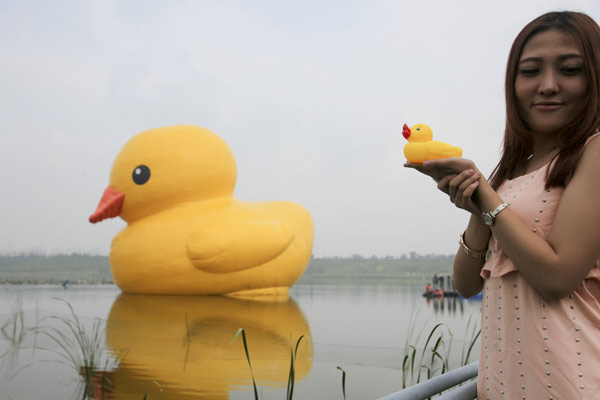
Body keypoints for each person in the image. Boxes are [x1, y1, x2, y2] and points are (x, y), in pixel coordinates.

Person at [405, 11, 600, 398]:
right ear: (513, 85)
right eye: (530, 72)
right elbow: (464, 283)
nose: (547, 85)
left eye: (570, 69)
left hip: (567, 381)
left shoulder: (594, 150)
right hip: (502, 385)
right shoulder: (513, 169)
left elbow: (557, 279)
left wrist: (486, 198)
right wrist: (481, 199)